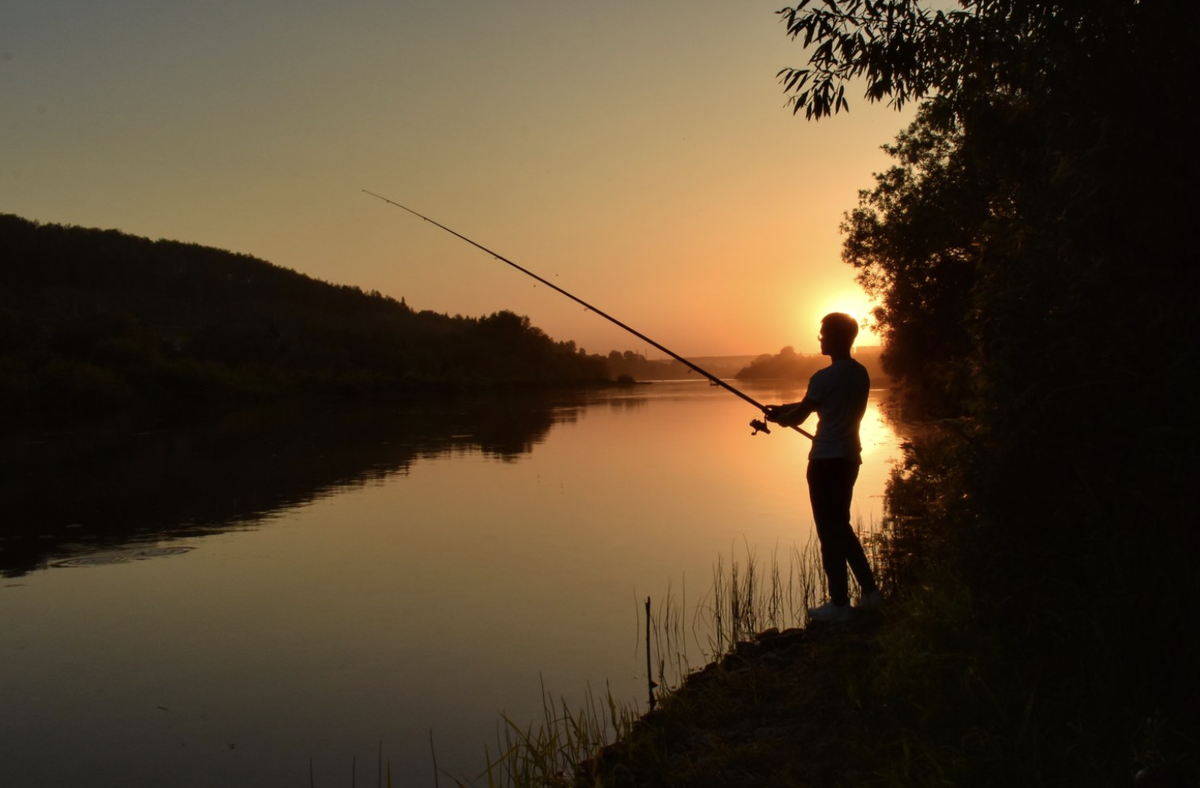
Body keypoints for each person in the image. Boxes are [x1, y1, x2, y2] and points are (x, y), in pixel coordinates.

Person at [765, 312, 882, 623]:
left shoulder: (822, 377)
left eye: (824, 333)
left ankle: (839, 604)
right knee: (841, 527)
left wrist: (781, 417)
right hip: (849, 458)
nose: (820, 338)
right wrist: (784, 409)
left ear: (837, 337)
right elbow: (816, 404)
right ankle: (871, 593)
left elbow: (800, 415)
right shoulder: (860, 373)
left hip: (824, 461)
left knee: (828, 532)